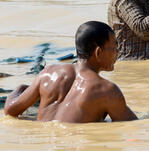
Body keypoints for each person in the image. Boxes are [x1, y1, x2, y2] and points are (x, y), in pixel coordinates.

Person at [4, 21, 138, 123]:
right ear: (98, 52)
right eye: (114, 47)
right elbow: (132, 126)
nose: (117, 53)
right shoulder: (107, 90)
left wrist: (20, 88)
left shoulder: (47, 73)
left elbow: (10, 110)